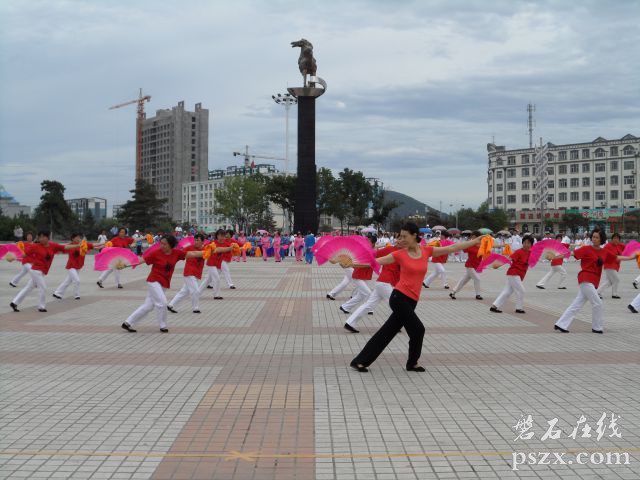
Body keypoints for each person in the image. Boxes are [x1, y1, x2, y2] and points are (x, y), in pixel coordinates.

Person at [350, 223, 482, 372]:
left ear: (414, 236)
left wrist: (475, 241)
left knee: (387, 331)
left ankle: (360, 361)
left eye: (405, 236)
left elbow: (451, 248)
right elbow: (374, 262)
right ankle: (412, 363)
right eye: (400, 236)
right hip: (399, 298)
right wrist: (352, 263)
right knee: (418, 329)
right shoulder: (399, 254)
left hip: (412, 300)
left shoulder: (426, 251)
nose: (402, 239)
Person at [555, 229, 637, 333]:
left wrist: (632, 257)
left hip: (594, 281)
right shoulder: (586, 249)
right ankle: (597, 327)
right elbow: (570, 253)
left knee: (576, 304)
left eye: (597, 237)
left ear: (601, 239)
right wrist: (554, 257)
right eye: (593, 237)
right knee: (598, 303)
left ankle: (561, 324)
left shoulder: (604, 252)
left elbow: (616, 257)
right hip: (585, 279)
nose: (594, 239)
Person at [121, 235, 205, 333]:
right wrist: (125, 264)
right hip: (153, 281)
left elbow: (193, 253)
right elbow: (141, 260)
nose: (162, 246)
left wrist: (207, 252)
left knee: (148, 306)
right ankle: (163, 325)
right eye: (161, 243)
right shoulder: (156, 253)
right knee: (163, 302)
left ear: (171, 245)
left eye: (165, 244)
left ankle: (127, 323)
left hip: (164, 283)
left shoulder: (176, 253)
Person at [10, 231, 83, 313]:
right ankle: (41, 307)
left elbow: (65, 247)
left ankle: (14, 302)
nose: (40, 239)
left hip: (42, 272)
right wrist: (14, 257)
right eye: (39, 237)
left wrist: (77, 245)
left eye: (41, 237)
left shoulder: (53, 246)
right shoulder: (35, 246)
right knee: (43, 287)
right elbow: (24, 254)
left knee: (28, 287)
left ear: (47, 237)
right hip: (36, 270)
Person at [344, 240, 399, 333]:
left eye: (403, 237)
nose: (400, 240)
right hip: (385, 282)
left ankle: (350, 323)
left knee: (369, 305)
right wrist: (353, 259)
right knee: (396, 305)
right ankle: (396, 325)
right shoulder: (390, 249)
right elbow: (373, 254)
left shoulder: (406, 253)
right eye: (399, 238)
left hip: (382, 282)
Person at [489, 235, 534, 314]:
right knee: (522, 291)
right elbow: (509, 259)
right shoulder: (519, 252)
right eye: (525, 242)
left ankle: (494, 306)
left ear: (531, 244)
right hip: (513, 273)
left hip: (520, 275)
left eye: (528, 243)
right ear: (522, 243)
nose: (526, 244)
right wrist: (499, 264)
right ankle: (519, 308)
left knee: (507, 292)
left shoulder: (530, 253)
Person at [53, 233, 104, 300]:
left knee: (67, 281)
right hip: (71, 266)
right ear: (72, 239)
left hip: (78, 266)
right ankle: (76, 295)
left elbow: (93, 245)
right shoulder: (70, 246)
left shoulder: (83, 245)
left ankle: (57, 293)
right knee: (77, 280)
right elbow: (60, 248)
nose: (78, 239)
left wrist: (103, 243)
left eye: (79, 237)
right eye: (76, 237)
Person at [168, 234, 206, 314]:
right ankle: (195, 308)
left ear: (203, 241)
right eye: (195, 240)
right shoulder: (189, 248)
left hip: (197, 273)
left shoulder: (206, 249)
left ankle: (171, 305)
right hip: (189, 272)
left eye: (198, 240)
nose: (196, 242)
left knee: (184, 291)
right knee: (195, 290)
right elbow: (179, 253)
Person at [338, 236, 376, 315]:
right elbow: (355, 261)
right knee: (368, 293)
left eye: (368, 241)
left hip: (365, 276)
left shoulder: (373, 251)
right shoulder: (363, 251)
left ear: (373, 244)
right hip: (358, 276)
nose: (366, 243)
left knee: (361, 295)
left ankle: (345, 307)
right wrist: (346, 264)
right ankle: (369, 309)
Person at [449, 230, 483, 300]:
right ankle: (478, 295)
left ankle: (453, 292)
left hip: (476, 266)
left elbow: (492, 246)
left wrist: (502, 245)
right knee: (477, 279)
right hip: (470, 265)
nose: (472, 237)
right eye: (472, 236)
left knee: (463, 281)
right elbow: (462, 248)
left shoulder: (482, 245)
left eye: (473, 236)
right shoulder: (469, 244)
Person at [200, 229, 234, 300]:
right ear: (217, 236)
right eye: (221, 236)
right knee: (217, 279)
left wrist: (244, 247)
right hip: (211, 263)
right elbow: (206, 247)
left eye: (223, 236)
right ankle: (216, 295)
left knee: (207, 280)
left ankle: (197, 293)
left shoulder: (225, 243)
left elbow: (233, 248)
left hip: (218, 264)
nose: (222, 238)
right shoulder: (213, 243)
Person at [596, 233, 625, 299]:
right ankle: (614, 294)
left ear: (619, 240)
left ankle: (598, 292)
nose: (616, 240)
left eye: (617, 238)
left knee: (609, 282)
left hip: (616, 266)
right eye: (614, 238)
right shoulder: (608, 246)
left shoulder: (620, 245)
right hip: (609, 265)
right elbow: (602, 253)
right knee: (617, 280)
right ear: (612, 239)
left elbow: (628, 248)